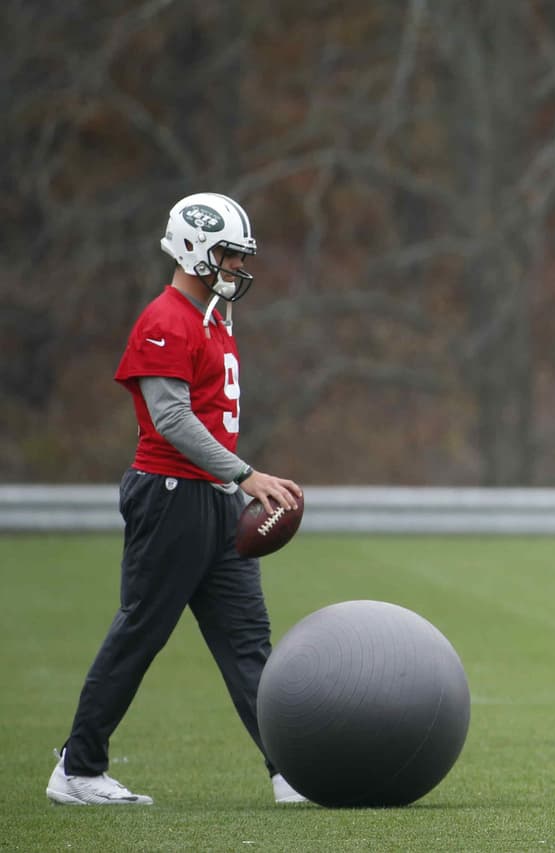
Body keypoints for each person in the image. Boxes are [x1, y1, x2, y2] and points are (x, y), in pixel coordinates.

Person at [46, 193, 307, 806]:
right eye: (228, 254)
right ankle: (78, 769)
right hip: (170, 496)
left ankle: (291, 768)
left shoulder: (213, 317)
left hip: (213, 499)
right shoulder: (166, 318)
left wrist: (232, 482)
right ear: (194, 248)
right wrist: (246, 475)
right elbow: (171, 419)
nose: (238, 267)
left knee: (248, 641)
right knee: (141, 631)